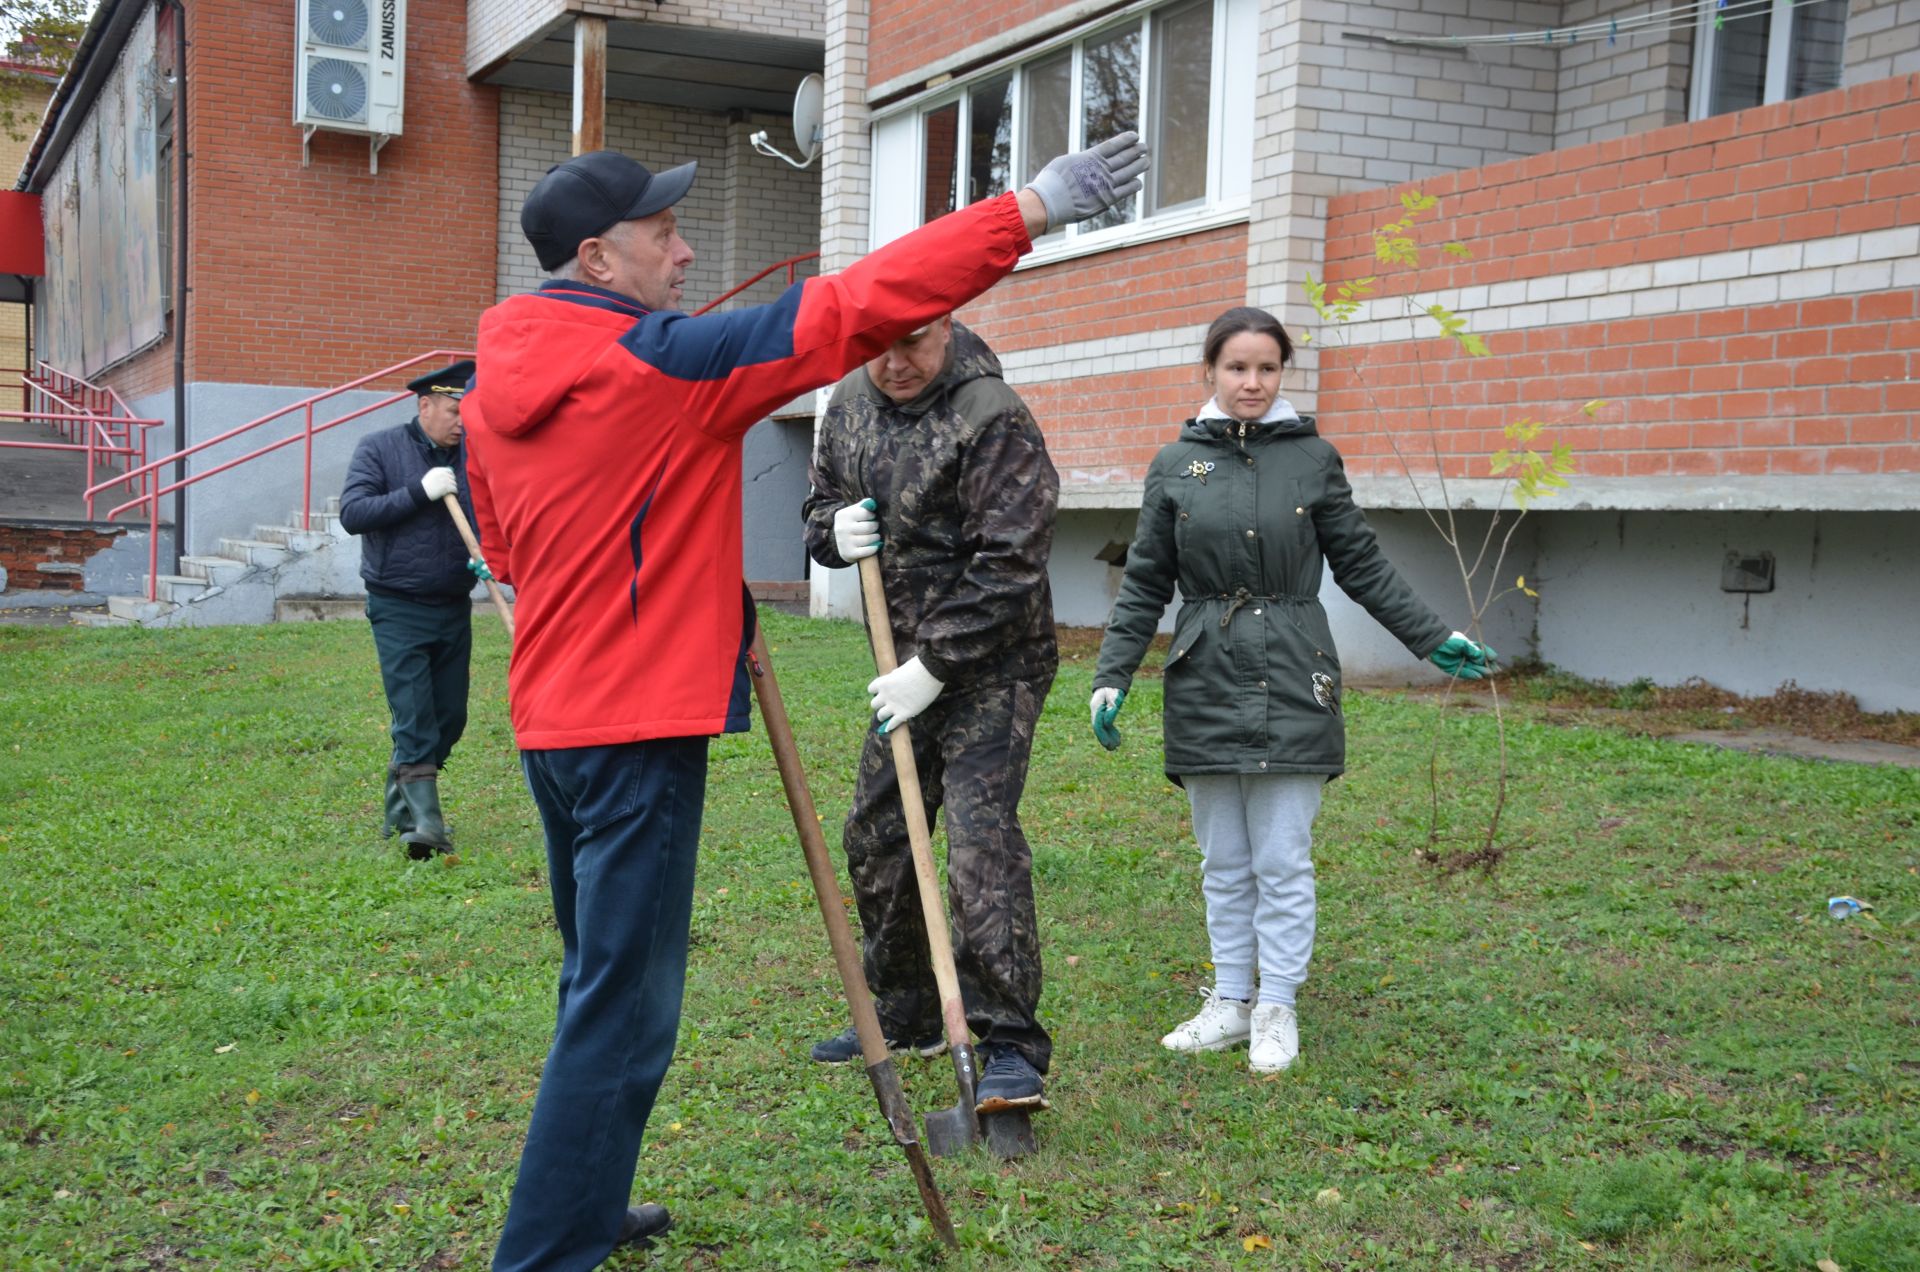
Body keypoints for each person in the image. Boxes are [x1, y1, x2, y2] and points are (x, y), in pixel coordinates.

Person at [461, 136, 1148, 1271]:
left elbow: (507, 548)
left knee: (600, 986)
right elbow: (851, 308)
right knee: (622, 1009)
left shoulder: (496, 387)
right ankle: (543, 1257)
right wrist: (1026, 209)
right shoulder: (660, 365)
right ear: (597, 255)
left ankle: (584, 1211)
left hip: (553, 718)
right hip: (635, 733)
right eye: (662, 233)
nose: (686, 252)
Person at [1088, 306, 1493, 1075]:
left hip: (1296, 668)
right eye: (1237, 367)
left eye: (1266, 368)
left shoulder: (1313, 459)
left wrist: (1432, 637)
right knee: (1224, 859)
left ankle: (1278, 1005)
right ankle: (1230, 1001)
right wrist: (1112, 676)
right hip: (1204, 672)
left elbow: (1363, 565)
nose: (1251, 382)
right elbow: (1145, 582)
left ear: (1283, 374)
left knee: (1282, 855)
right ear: (1209, 370)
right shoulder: (1176, 465)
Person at [800, 315, 1058, 1112]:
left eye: (911, 343)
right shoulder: (847, 404)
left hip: (994, 662)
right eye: (876, 346)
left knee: (979, 840)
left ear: (944, 328)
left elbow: (1012, 562)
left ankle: (1009, 1040)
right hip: (898, 661)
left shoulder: (991, 414)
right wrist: (831, 535)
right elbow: (821, 512)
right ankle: (908, 1007)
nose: (894, 363)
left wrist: (935, 666)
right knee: (877, 834)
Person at [338, 359, 487, 860]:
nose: (462, 421)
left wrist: (492, 552)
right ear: (425, 405)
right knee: (415, 716)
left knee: (450, 717)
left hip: (452, 603)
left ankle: (398, 802)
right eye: (453, 410)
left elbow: (492, 513)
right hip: (397, 603)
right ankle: (428, 823)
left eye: (468, 411)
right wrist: (417, 493)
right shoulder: (380, 448)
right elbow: (353, 514)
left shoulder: (475, 457)